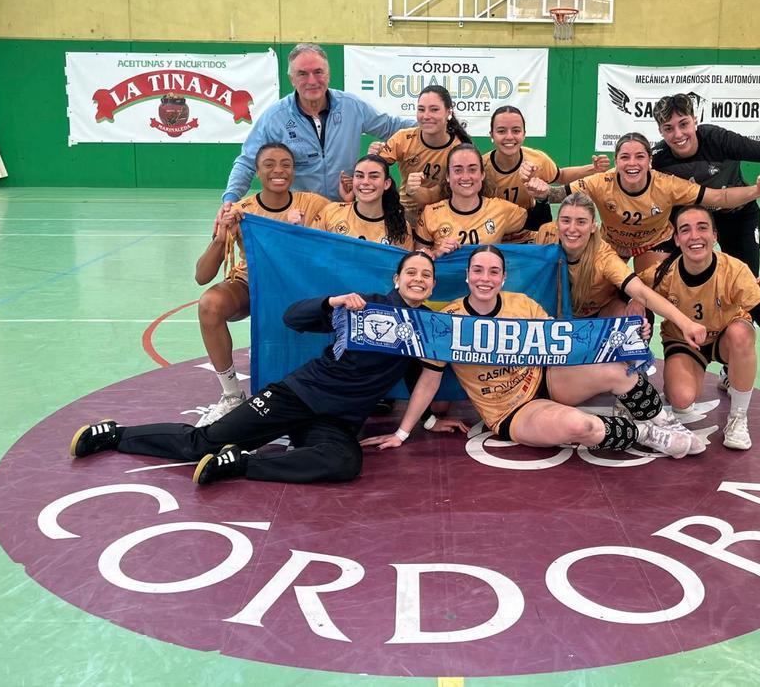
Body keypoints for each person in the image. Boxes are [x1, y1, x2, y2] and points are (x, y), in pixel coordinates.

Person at [70, 251, 467, 484]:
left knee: (344, 463)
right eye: (411, 272)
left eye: (426, 275)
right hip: (297, 396)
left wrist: (415, 427)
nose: (419, 279)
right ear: (397, 278)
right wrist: (331, 302)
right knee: (203, 442)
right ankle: (113, 434)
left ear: (432, 287)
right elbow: (293, 319)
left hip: (337, 420)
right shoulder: (362, 305)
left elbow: (426, 379)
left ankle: (242, 462)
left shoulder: (428, 329)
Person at [362, 247, 707, 458]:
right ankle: (648, 435)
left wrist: (626, 338)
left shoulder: (522, 304)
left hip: (547, 379)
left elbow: (568, 343)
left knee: (619, 369)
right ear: (467, 276)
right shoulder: (447, 321)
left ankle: (663, 420)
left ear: (503, 278)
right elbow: (428, 381)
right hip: (511, 411)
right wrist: (403, 432)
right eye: (478, 271)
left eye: (493, 271)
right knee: (580, 425)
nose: (485, 278)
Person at [194, 142, 329, 425]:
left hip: (296, 287)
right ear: (256, 172)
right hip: (252, 285)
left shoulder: (314, 204)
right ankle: (231, 395)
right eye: (269, 164)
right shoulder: (242, 210)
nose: (277, 170)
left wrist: (301, 232)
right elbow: (202, 276)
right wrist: (222, 237)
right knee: (210, 304)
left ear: (294, 171)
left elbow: (342, 235)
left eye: (285, 164)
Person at [639, 206, 760, 451]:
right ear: (677, 239)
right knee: (682, 402)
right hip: (685, 343)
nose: (694, 236)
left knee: (742, 332)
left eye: (702, 228)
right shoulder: (663, 273)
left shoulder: (735, 270)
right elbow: (627, 286)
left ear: (715, 236)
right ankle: (696, 378)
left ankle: (738, 416)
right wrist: (635, 303)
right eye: (685, 230)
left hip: (725, 338)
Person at [527, 132, 760, 273]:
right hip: (612, 243)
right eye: (625, 157)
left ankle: (639, 352)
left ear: (649, 161)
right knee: (598, 289)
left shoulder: (667, 184)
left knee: (646, 294)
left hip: (652, 244)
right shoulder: (601, 181)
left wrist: (755, 190)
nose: (632, 163)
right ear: (617, 161)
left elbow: (719, 197)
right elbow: (557, 195)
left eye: (639, 157)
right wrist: (540, 190)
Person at [221, 43, 411, 207]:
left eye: (318, 72)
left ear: (328, 75)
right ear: (292, 79)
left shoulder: (351, 106)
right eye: (302, 74)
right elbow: (247, 162)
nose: (312, 81)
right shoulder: (274, 117)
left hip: (343, 212)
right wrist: (230, 199)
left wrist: (435, 123)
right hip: (299, 215)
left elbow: (391, 126)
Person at [650, 93, 760, 275]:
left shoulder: (719, 140)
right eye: (668, 128)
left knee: (745, 280)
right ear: (660, 131)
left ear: (695, 120)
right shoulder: (658, 159)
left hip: (736, 216)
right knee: (665, 277)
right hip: (691, 221)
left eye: (684, 124)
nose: (678, 134)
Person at [536, 193, 705, 348]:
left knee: (634, 320)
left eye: (581, 222)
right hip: (556, 314)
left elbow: (640, 292)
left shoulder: (604, 257)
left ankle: (634, 367)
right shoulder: (545, 235)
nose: (572, 229)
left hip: (599, 313)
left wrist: (686, 324)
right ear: (557, 224)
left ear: (593, 226)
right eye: (566, 220)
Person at [483, 105, 610, 231]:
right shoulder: (481, 167)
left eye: (516, 131)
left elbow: (561, 176)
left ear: (524, 134)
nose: (509, 137)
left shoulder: (537, 159)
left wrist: (593, 168)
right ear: (492, 135)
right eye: (501, 131)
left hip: (529, 232)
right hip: (493, 232)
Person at [369, 84, 470, 216]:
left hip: (444, 218)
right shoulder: (403, 138)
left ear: (448, 113)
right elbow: (373, 172)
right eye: (421, 109)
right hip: (403, 217)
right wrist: (372, 157)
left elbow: (432, 197)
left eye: (434, 109)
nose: (426, 116)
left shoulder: (459, 150)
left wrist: (414, 190)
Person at [414, 144, 529, 256]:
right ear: (448, 176)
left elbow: (539, 232)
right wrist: (436, 253)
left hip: (486, 275)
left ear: (482, 174)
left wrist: (540, 195)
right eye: (458, 170)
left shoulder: (503, 210)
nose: (465, 177)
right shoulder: (430, 213)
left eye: (472, 169)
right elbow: (416, 260)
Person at [311, 154, 413, 249]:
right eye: (359, 176)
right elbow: (310, 250)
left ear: (386, 184)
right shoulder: (331, 212)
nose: (365, 182)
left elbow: (404, 266)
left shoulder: (400, 227)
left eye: (374, 176)